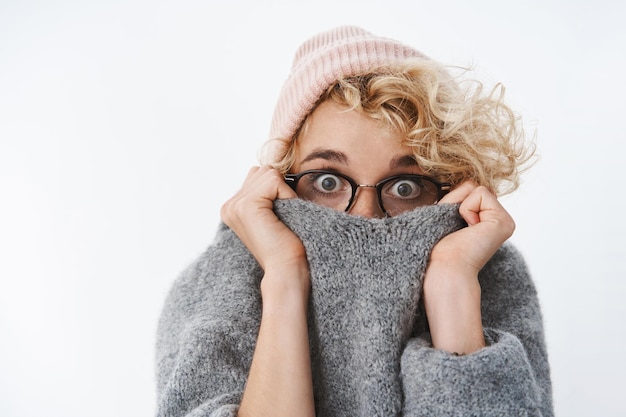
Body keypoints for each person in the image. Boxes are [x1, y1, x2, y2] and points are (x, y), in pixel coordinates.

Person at [156, 26, 553, 417]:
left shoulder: (488, 272)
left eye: (404, 188)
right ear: (280, 180)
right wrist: (283, 277)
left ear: (448, 189)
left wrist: (452, 285)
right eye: (327, 181)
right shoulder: (217, 282)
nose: (364, 215)